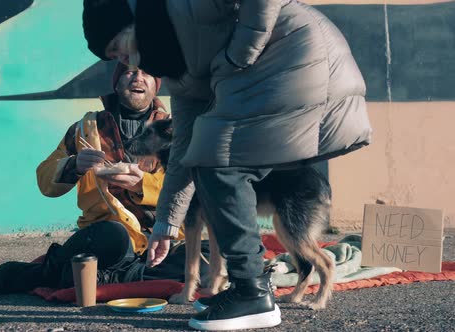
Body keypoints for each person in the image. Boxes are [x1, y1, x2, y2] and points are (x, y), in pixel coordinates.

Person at [82, 0, 372, 330]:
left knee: (218, 162)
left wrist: (240, 52)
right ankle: (246, 288)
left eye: (116, 48)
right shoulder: (172, 58)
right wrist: (166, 224)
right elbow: (184, 152)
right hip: (271, 74)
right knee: (207, 161)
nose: (122, 61)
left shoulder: (178, 7)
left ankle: (252, 294)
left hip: (295, 58)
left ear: (130, 24)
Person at [0, 63, 209, 294]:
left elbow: (195, 186)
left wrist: (141, 184)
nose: (138, 78)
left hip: (162, 242)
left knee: (217, 256)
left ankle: (99, 276)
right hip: (109, 240)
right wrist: (73, 165)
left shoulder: (177, 130)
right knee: (112, 235)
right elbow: (45, 182)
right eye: (129, 72)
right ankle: (85, 273)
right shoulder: (84, 129)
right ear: (117, 83)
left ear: (156, 85)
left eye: (146, 73)